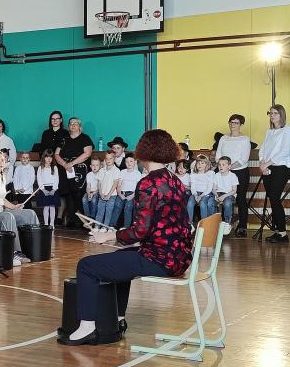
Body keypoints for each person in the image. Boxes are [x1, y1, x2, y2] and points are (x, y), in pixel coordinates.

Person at [59, 129, 192, 346]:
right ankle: (118, 320)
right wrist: (122, 237)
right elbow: (160, 225)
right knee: (124, 257)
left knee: (86, 266)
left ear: (145, 151)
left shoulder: (148, 183)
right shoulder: (175, 180)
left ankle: (87, 328)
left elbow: (140, 231)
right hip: (180, 258)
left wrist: (109, 235)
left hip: (160, 260)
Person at [0, 150, 37, 265]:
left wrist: (14, 206)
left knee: (30, 213)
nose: (1, 163)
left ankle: (34, 248)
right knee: (8, 216)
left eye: (3, 160)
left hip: (2, 210)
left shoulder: (2, 178)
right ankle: (14, 253)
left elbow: (2, 199)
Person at [258, 104, 290, 243]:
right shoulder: (269, 132)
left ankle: (283, 234)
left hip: (281, 167)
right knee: (272, 199)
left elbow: (284, 152)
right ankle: (277, 231)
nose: (272, 115)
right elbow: (263, 149)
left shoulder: (288, 130)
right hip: (268, 168)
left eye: (275, 113)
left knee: (274, 198)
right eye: (270, 113)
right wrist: (262, 163)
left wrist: (267, 164)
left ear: (281, 115)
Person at [216, 114, 252, 236]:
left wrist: (229, 167)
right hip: (223, 171)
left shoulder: (245, 139)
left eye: (236, 123)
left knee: (240, 199)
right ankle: (222, 225)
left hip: (240, 172)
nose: (233, 125)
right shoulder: (224, 138)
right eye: (231, 122)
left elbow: (244, 158)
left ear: (241, 125)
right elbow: (218, 155)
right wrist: (223, 167)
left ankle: (242, 227)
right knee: (220, 197)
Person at [54, 117, 94, 226]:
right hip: (65, 169)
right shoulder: (64, 139)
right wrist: (65, 164)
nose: (72, 125)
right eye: (71, 123)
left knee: (78, 194)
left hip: (79, 171)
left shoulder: (85, 138)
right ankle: (72, 219)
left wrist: (71, 163)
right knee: (68, 194)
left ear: (80, 126)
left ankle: (86, 221)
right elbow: (56, 154)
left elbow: (87, 153)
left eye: (75, 123)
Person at [95, 150, 122, 227]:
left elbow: (115, 184)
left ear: (114, 159)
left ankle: (105, 227)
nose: (108, 160)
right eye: (107, 158)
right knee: (100, 211)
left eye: (110, 158)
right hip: (102, 195)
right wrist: (101, 193)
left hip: (111, 196)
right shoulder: (101, 170)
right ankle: (97, 226)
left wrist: (109, 195)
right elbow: (99, 183)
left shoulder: (116, 170)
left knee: (108, 212)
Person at [116, 153, 143, 228]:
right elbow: (119, 185)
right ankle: (112, 225)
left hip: (132, 194)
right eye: (127, 161)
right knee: (117, 206)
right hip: (122, 193)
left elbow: (138, 187)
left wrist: (132, 196)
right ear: (125, 162)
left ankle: (126, 227)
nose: (129, 163)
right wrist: (120, 194)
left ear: (135, 162)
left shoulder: (137, 173)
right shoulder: (122, 172)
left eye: (131, 161)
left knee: (128, 207)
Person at [37, 149, 61, 227]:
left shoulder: (54, 168)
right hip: (44, 189)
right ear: (44, 157)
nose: (49, 159)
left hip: (53, 189)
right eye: (47, 157)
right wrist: (43, 189)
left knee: (52, 207)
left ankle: (52, 224)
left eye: (50, 157)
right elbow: (39, 179)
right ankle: (46, 224)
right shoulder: (41, 168)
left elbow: (56, 179)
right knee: (46, 207)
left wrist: (54, 189)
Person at [189, 154, 217, 223]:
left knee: (202, 203)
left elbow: (209, 188)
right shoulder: (193, 174)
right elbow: (193, 187)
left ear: (207, 165)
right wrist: (195, 195)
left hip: (206, 193)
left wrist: (201, 196)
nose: (199, 165)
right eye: (198, 163)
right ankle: (190, 223)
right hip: (196, 193)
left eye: (202, 163)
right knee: (190, 203)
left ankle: (204, 223)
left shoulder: (210, 173)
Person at [213, 156, 238, 225]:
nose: (221, 166)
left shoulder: (233, 176)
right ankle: (214, 222)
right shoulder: (216, 175)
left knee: (227, 203)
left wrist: (224, 196)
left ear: (229, 166)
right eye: (219, 165)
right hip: (218, 194)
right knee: (210, 203)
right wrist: (217, 196)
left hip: (229, 194)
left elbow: (234, 191)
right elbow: (213, 189)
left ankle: (227, 222)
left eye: (223, 165)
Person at [82, 155, 102, 220]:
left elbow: (100, 187)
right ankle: (87, 216)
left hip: (97, 192)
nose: (95, 167)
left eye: (97, 165)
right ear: (90, 166)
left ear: (100, 166)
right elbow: (88, 186)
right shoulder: (89, 174)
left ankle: (93, 216)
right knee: (84, 199)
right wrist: (88, 194)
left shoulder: (101, 174)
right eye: (93, 165)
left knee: (94, 200)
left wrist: (93, 194)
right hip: (90, 191)